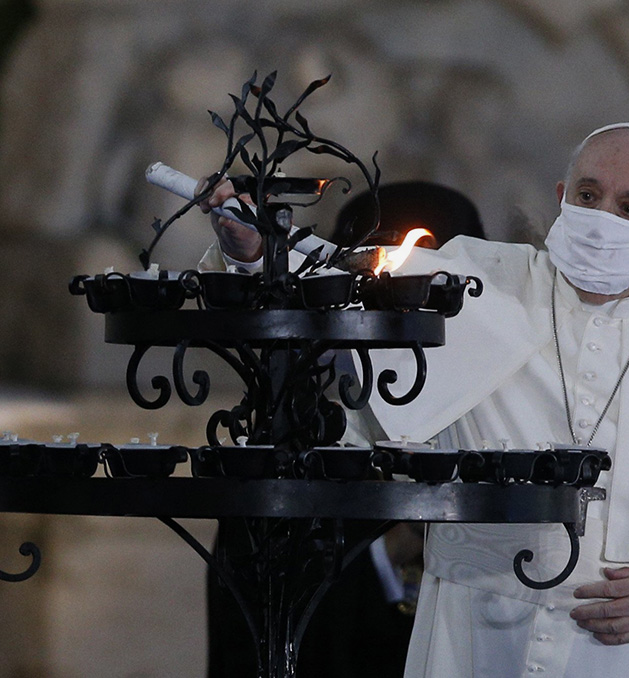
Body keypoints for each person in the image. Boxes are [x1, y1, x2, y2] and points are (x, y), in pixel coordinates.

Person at [202, 123, 629, 677]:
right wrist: (260, 256)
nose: (602, 219)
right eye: (590, 196)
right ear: (563, 198)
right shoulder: (476, 289)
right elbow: (348, 281)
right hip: (476, 646)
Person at [202, 181, 485, 678]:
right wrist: (383, 550)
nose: (401, 320)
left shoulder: (510, 445)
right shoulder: (284, 483)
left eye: (426, 291)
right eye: (379, 290)